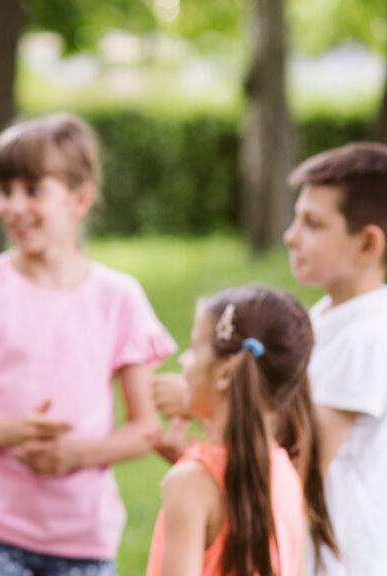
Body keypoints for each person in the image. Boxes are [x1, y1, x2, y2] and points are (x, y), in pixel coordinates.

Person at [0, 113, 176, 576]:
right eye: (3, 189)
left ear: (80, 198)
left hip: (85, 539)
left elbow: (144, 428)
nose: (13, 205)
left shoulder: (119, 298)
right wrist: (11, 431)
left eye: (33, 190)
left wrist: (75, 455)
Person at [151, 143, 387, 575]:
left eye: (312, 224)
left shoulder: (368, 339)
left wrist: (195, 401)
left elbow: (301, 457)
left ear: (368, 243)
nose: (290, 235)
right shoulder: (329, 319)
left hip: (340, 562)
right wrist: (207, 463)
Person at [146, 286, 337, 576]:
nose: (184, 361)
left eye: (195, 348)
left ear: (224, 373)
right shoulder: (285, 472)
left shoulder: (189, 484)